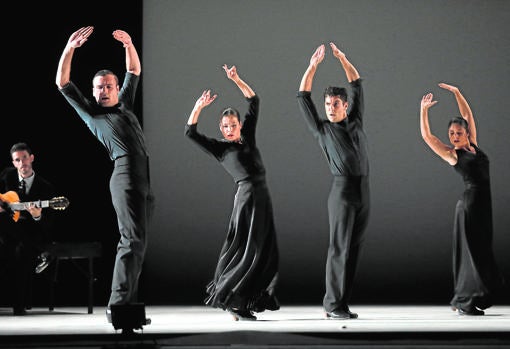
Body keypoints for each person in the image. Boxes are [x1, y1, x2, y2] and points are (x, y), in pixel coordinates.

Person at [55, 26, 154, 322]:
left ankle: (128, 305)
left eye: (109, 85)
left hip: (143, 175)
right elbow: (62, 82)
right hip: (124, 174)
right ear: (93, 91)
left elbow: (133, 70)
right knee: (130, 239)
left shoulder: (124, 104)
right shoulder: (90, 112)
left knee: (139, 242)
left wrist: (129, 45)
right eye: (99, 87)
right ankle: (119, 305)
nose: (104, 90)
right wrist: (70, 48)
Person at [185, 64, 280, 321]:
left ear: (239, 125)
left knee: (267, 251)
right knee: (248, 250)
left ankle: (245, 299)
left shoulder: (248, 137)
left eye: (233, 125)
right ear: (221, 128)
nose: (229, 129)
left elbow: (254, 100)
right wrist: (198, 107)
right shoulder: (220, 148)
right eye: (225, 126)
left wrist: (237, 79)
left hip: (263, 198)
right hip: (247, 199)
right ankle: (234, 299)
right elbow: (190, 132)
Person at [297, 43, 369, 320]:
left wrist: (342, 58)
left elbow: (357, 84)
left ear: (345, 106)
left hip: (364, 190)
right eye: (327, 104)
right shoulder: (322, 129)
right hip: (342, 192)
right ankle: (332, 304)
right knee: (339, 248)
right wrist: (312, 67)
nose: (329, 108)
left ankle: (342, 303)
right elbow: (302, 96)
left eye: (334, 104)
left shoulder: (356, 120)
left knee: (354, 249)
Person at [420, 83, 504, 316]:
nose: (455, 137)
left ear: (467, 133)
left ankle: (467, 298)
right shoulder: (452, 154)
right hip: (469, 207)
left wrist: (457, 93)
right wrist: (423, 111)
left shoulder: (473, 145)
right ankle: (465, 302)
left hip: (482, 207)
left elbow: (468, 115)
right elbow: (427, 137)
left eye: (458, 133)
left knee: (482, 251)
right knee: (472, 254)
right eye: (452, 134)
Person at [0, 142, 57, 315]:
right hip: (5, 232)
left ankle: (19, 305)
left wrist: (37, 215)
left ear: (31, 158)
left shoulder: (45, 188)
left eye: (25, 158)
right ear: (13, 163)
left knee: (21, 251)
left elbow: (48, 226)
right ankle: (41, 256)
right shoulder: (6, 177)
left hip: (31, 234)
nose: (22, 163)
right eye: (17, 160)